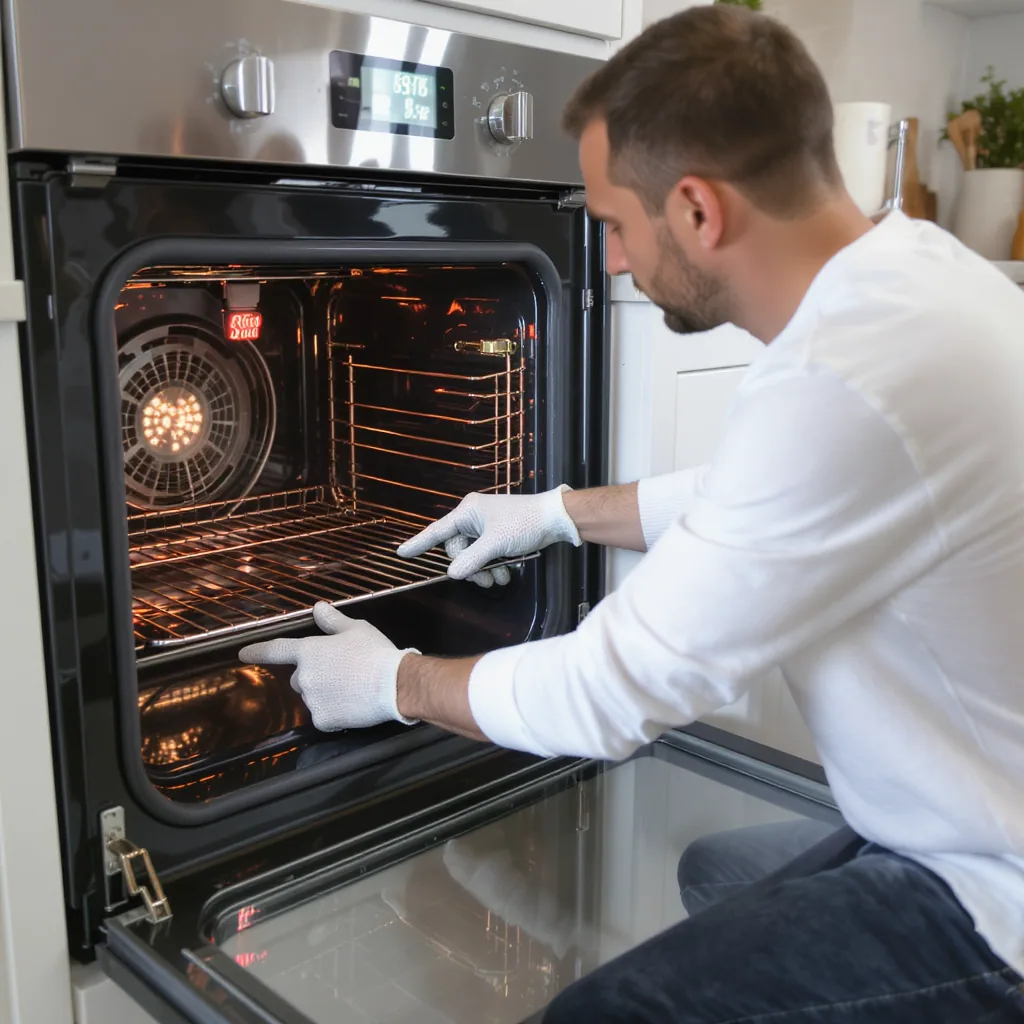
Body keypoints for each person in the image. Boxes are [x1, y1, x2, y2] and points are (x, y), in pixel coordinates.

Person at [240, 5, 1024, 1020]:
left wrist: (395, 680)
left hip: (991, 890)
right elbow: (768, 499)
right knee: (716, 870)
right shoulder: (910, 281)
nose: (607, 261)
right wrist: (559, 511)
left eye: (612, 222)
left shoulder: (848, 376)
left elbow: (615, 690)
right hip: (960, 806)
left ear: (698, 210)